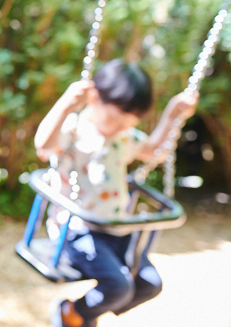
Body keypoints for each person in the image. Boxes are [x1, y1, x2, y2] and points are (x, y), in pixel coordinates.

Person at [34, 59, 198, 327]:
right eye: (114, 120)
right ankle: (71, 314)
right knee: (118, 287)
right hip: (78, 230)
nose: (119, 128)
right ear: (94, 97)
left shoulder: (123, 137)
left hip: (117, 227)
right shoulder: (75, 130)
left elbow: (154, 151)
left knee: (149, 284)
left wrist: (173, 115)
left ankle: (79, 313)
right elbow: (43, 145)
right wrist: (66, 104)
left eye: (127, 124)